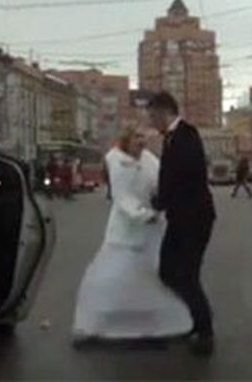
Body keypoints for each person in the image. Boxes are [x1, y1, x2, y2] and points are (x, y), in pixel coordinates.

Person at [71, 126, 192, 343]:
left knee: (155, 276)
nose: (142, 141)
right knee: (109, 276)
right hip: (125, 229)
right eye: (137, 136)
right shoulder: (115, 160)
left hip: (151, 228)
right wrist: (142, 214)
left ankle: (162, 323)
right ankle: (91, 326)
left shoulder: (149, 159)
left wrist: (167, 201)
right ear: (126, 139)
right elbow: (121, 195)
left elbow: (161, 183)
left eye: (144, 136)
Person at [147, 92, 217, 356]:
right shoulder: (172, 139)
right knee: (167, 271)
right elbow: (171, 177)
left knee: (187, 275)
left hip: (195, 218)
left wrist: (159, 200)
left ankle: (205, 331)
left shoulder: (186, 136)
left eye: (153, 117)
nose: (152, 122)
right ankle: (196, 320)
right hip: (180, 218)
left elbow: (181, 175)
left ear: (165, 113)